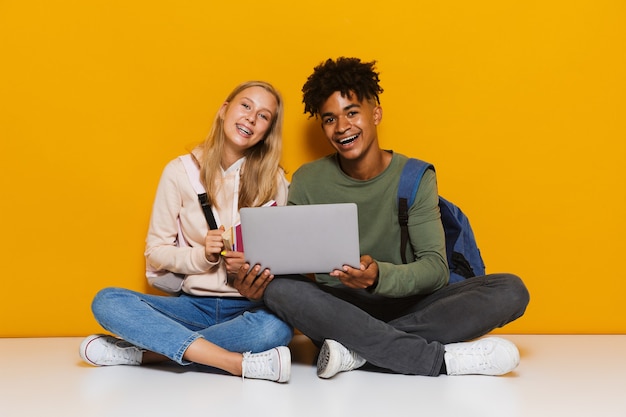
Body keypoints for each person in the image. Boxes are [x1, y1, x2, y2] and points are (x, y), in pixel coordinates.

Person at [233, 58, 530, 379]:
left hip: (412, 306)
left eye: (352, 113)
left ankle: (355, 351)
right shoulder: (308, 179)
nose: (342, 127)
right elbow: (292, 262)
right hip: (341, 309)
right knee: (281, 290)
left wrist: (377, 278)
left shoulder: (415, 176)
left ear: (375, 113)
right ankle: (439, 361)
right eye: (330, 119)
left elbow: (435, 269)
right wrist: (256, 281)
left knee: (511, 290)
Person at [79, 81, 293, 383]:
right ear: (224, 110)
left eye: (263, 116)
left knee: (277, 329)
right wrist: (202, 256)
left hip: (249, 308)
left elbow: (283, 259)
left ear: (267, 130)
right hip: (192, 305)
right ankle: (236, 364)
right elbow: (156, 251)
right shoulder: (179, 172)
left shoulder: (276, 180)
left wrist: (249, 264)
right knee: (107, 301)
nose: (250, 118)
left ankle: (144, 354)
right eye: (245, 105)